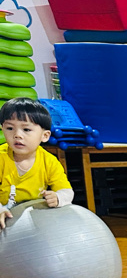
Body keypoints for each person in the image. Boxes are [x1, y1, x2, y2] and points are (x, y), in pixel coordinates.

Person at [0, 98, 74, 229]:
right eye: (10, 128)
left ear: (45, 136)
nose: (17, 135)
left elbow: (67, 192)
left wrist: (58, 197)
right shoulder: (2, 157)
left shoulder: (49, 161)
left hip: (35, 217)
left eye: (26, 129)